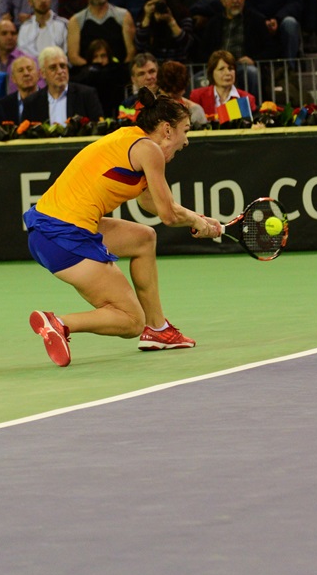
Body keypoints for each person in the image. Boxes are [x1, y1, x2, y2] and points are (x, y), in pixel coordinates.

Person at [24, 88, 221, 367]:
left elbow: (150, 202)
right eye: (185, 131)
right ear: (167, 130)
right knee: (131, 321)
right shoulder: (149, 150)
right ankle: (59, 323)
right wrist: (197, 222)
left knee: (143, 238)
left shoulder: (131, 139)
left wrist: (198, 218)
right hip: (63, 237)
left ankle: (158, 329)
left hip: (47, 229)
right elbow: (168, 214)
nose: (186, 141)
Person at [22, 46, 105, 123]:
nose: (60, 71)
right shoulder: (32, 103)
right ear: (42, 73)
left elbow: (99, 127)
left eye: (63, 66)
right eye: (53, 68)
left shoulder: (86, 95)